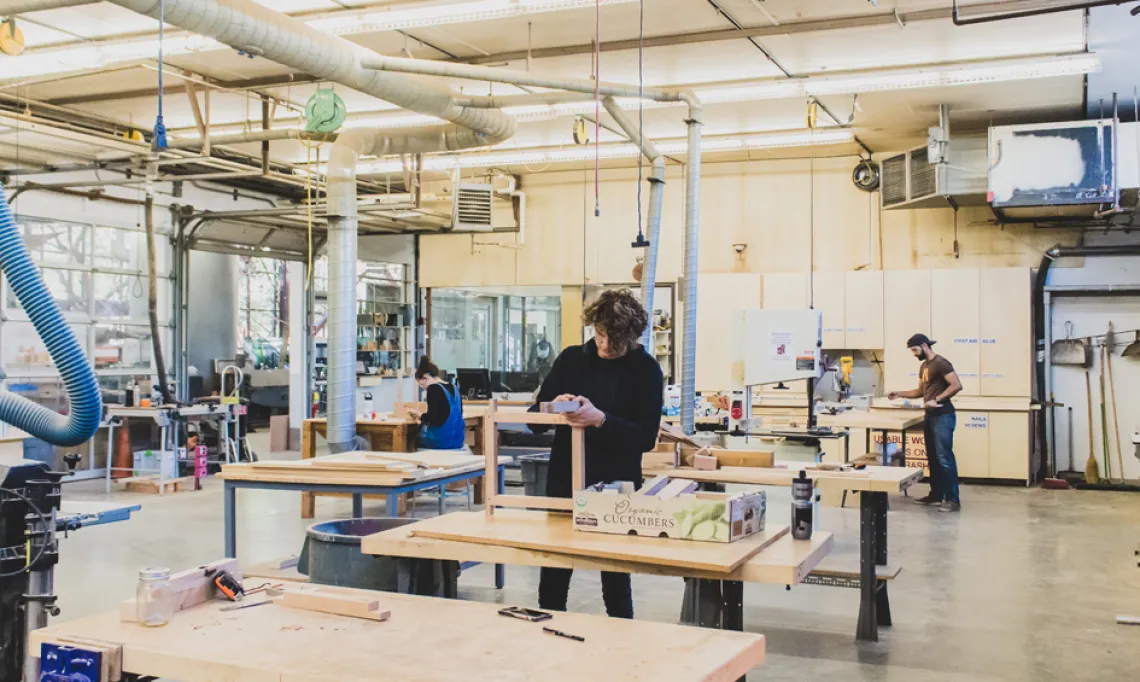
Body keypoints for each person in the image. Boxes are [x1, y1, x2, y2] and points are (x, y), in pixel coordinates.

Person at [531, 288, 664, 618]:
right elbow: (535, 420)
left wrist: (601, 419)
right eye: (601, 335)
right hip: (566, 477)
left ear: (632, 335)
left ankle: (620, 644)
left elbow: (646, 437)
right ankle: (546, 635)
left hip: (616, 482)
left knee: (616, 574)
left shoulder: (646, 370)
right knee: (555, 568)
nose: (605, 345)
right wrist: (553, 405)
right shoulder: (572, 359)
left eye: (614, 339)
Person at [887, 333, 963, 512]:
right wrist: (899, 393)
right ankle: (936, 495)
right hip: (930, 417)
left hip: (943, 416)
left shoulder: (941, 363)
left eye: (915, 350)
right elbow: (920, 391)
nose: (914, 353)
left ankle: (953, 500)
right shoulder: (924, 366)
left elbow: (956, 385)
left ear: (924, 345)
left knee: (945, 458)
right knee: (933, 458)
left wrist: (938, 399)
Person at [410, 356, 466, 450]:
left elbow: (432, 417)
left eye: (421, 384)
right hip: (458, 440)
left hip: (441, 441)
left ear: (426, 377)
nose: (423, 388)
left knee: (412, 439)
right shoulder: (454, 387)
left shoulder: (433, 389)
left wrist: (420, 416)